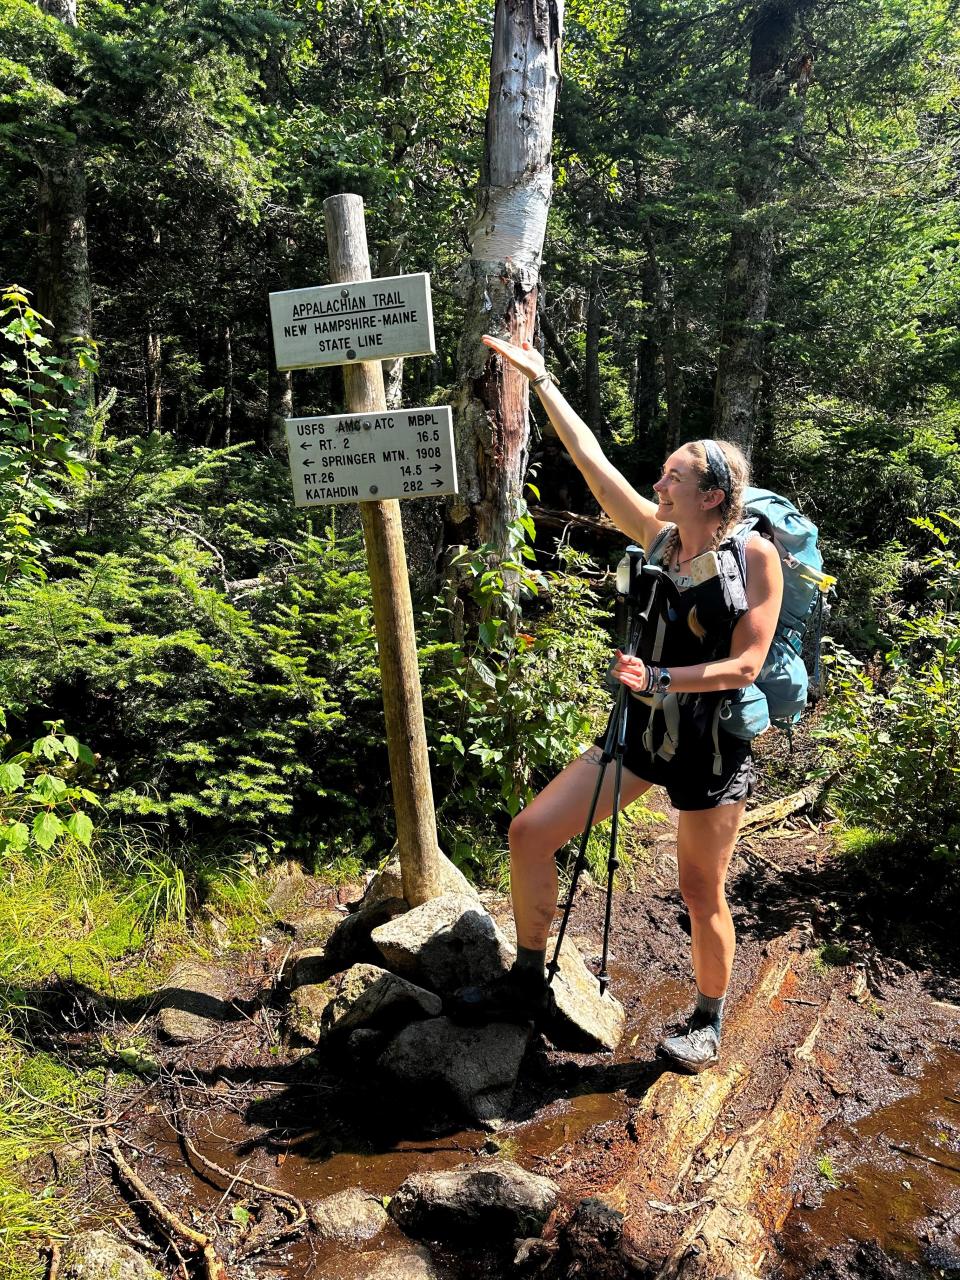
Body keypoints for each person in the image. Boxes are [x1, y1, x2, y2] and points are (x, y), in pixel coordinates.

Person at [455, 333, 783, 1073]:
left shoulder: (754, 557)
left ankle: (707, 1019)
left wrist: (662, 680)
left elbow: (746, 663)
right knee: (531, 831)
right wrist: (541, 382)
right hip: (639, 733)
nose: (657, 485)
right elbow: (593, 465)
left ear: (713, 496)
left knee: (700, 889)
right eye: (661, 476)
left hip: (708, 745)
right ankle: (526, 983)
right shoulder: (659, 537)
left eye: (672, 477)